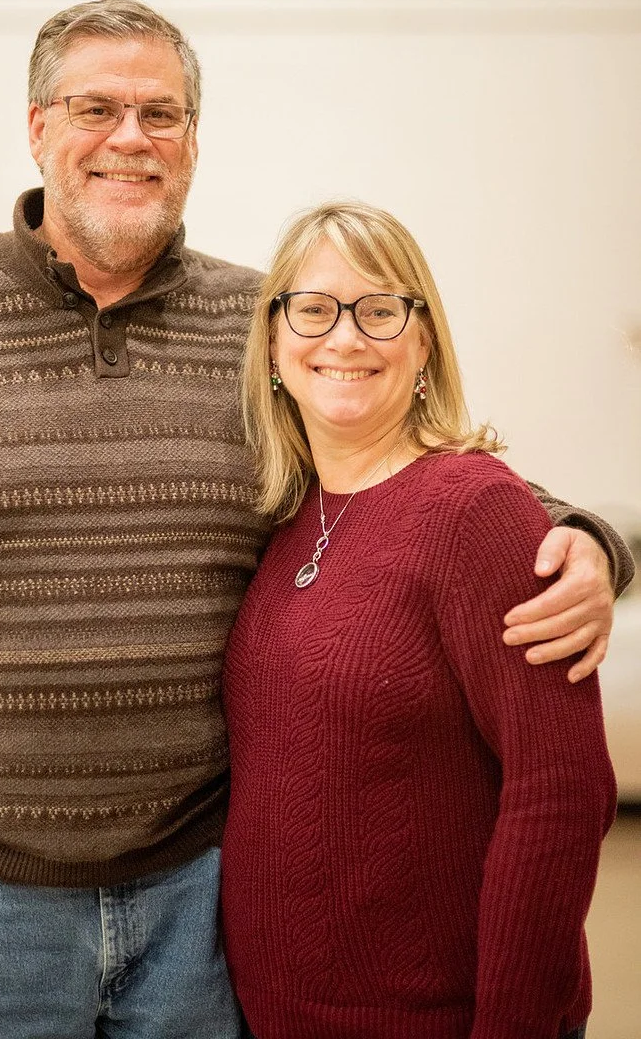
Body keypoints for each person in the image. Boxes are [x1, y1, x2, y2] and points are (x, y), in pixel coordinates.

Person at [0, 0, 630, 1039]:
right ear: (37, 126)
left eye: (163, 113)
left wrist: (583, 536)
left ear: (193, 140)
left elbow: (393, 470)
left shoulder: (257, 325)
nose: (131, 138)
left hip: (203, 906)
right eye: (97, 107)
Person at [221, 200, 617, 1039]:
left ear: (424, 339)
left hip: (431, 1016)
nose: (346, 338)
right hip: (272, 1013)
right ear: (274, 346)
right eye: (316, 308)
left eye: (380, 309)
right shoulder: (291, 516)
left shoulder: (477, 509)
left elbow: (560, 791)